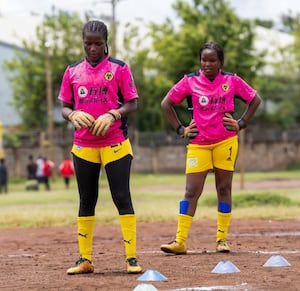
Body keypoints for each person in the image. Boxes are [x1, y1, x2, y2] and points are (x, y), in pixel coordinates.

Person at [160, 42, 261, 254]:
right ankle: (180, 241)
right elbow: (166, 104)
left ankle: (221, 240)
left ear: (220, 62)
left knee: (223, 189)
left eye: (212, 60)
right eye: (204, 60)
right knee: (190, 191)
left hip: (226, 142)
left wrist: (241, 123)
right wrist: (180, 129)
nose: (207, 64)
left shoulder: (231, 80)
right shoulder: (189, 81)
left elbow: (255, 99)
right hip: (199, 145)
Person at [58, 20, 142, 275]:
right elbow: (64, 106)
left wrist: (114, 114)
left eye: (98, 43)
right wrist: (71, 115)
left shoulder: (119, 68)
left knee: (121, 197)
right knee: (86, 200)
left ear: (106, 43)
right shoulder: (72, 71)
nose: (93, 48)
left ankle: (131, 259)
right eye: (88, 43)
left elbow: (132, 103)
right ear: (82, 43)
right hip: (84, 146)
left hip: (115, 142)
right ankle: (85, 259)